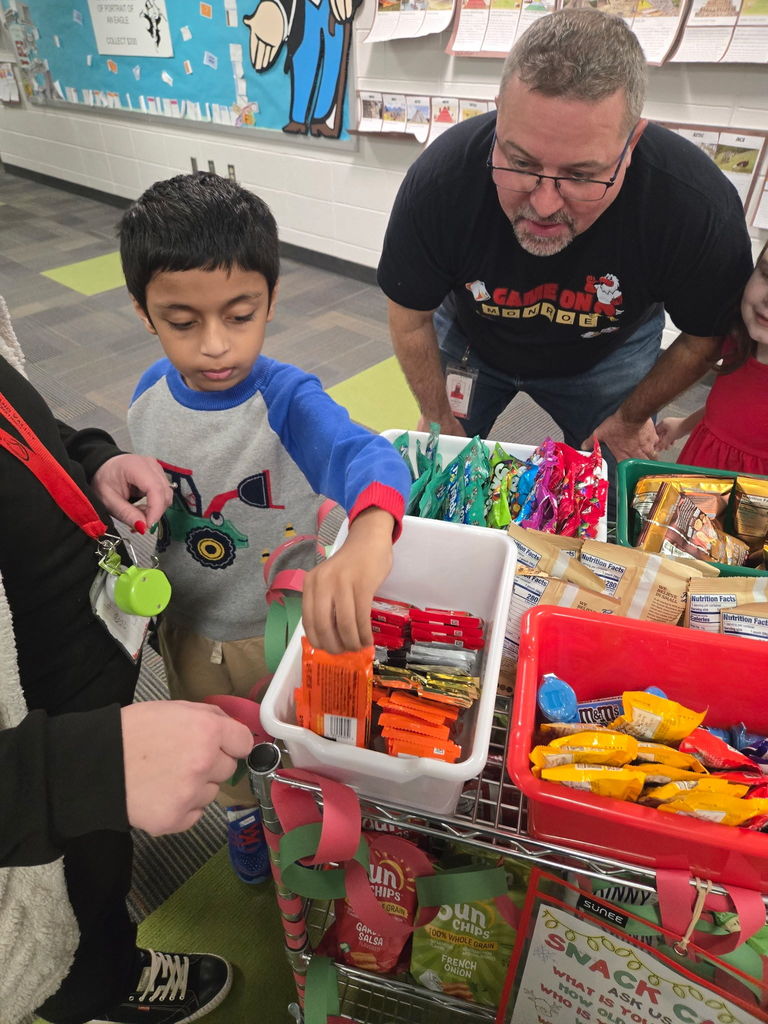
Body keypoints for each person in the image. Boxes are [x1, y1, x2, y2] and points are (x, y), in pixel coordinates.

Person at [118, 172, 411, 881]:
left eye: (240, 315)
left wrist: (370, 532)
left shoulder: (285, 399)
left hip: (272, 628)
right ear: (144, 314)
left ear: (271, 302)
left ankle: (290, 819)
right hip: (187, 621)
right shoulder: (146, 396)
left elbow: (364, 453)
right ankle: (242, 818)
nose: (215, 346)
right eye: (183, 323)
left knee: (287, 742)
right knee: (211, 741)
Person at [377, 7, 754, 506]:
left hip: (608, 350)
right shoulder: (441, 182)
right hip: (474, 338)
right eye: (520, 162)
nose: (544, 203)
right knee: (440, 474)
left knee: (624, 497)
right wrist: (438, 416)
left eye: (582, 175)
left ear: (632, 141)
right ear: (499, 113)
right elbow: (409, 316)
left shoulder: (694, 205)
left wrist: (630, 417)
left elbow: (705, 335)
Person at [0, 295, 255, 1024]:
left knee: (97, 871)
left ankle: (110, 957)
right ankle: (93, 990)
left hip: (75, 695)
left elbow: (24, 426)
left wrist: (92, 458)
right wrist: (74, 773)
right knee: (62, 912)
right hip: (41, 777)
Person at [656, 241, 768, 475]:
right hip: (698, 472)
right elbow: (728, 407)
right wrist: (684, 425)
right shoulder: (737, 340)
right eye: (767, 274)